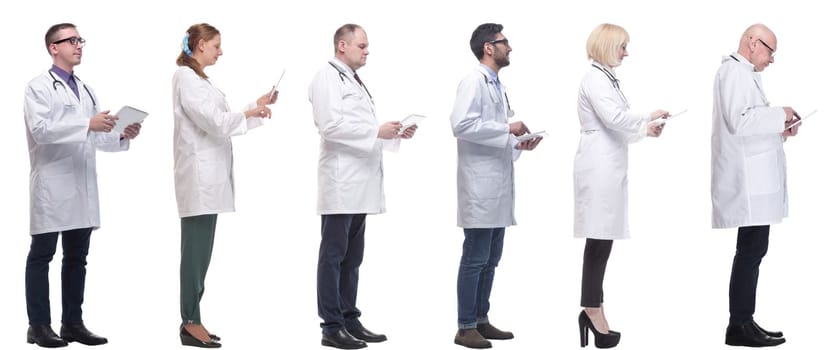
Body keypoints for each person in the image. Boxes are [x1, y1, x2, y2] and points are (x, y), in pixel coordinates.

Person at [23, 22, 142, 348]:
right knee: (42, 255)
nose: (78, 45)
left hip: (81, 185)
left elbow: (94, 138)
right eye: (71, 40)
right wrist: (88, 123)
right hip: (52, 185)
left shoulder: (86, 89)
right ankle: (38, 326)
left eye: (80, 40)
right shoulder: (38, 87)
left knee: (77, 257)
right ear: (53, 47)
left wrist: (119, 133)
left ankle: (72, 323)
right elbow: (42, 131)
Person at [309, 23, 417, 350]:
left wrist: (391, 133)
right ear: (342, 45)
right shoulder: (326, 77)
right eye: (362, 46)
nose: (367, 51)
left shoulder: (351, 79)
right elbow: (330, 126)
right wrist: (375, 132)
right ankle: (331, 327)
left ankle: (349, 318)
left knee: (352, 257)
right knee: (333, 255)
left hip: (359, 185)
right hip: (341, 184)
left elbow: (361, 127)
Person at [172, 23, 275, 348]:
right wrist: (248, 112)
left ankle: (194, 318)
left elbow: (221, 118)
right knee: (195, 254)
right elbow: (214, 122)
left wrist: (254, 107)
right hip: (199, 180)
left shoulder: (200, 79)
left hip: (210, 179)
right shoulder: (185, 78)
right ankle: (189, 321)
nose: (221, 51)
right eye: (216, 45)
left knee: (201, 253)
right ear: (201, 45)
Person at [573, 23, 669, 349]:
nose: (626, 53)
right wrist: (646, 117)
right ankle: (591, 308)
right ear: (607, 45)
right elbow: (615, 119)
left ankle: (593, 307)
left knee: (603, 239)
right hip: (598, 167)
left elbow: (616, 124)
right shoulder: (594, 78)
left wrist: (646, 130)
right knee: (598, 241)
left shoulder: (606, 78)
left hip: (608, 163)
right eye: (622, 46)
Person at [450, 23, 542, 349]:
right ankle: (464, 326)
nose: (510, 47)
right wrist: (507, 127)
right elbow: (461, 125)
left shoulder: (496, 85)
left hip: (498, 186)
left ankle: (480, 320)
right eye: (505, 42)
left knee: (491, 259)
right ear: (489, 47)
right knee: (475, 258)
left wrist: (518, 143)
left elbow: (492, 133)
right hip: (480, 186)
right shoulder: (473, 81)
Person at [712, 23, 800, 348]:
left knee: (753, 250)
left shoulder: (745, 74)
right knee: (750, 251)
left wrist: (780, 129)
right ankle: (739, 325)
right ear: (752, 42)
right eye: (770, 50)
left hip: (755, 182)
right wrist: (780, 114)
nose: (772, 58)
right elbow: (739, 120)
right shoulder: (733, 73)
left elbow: (751, 122)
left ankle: (744, 321)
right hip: (747, 184)